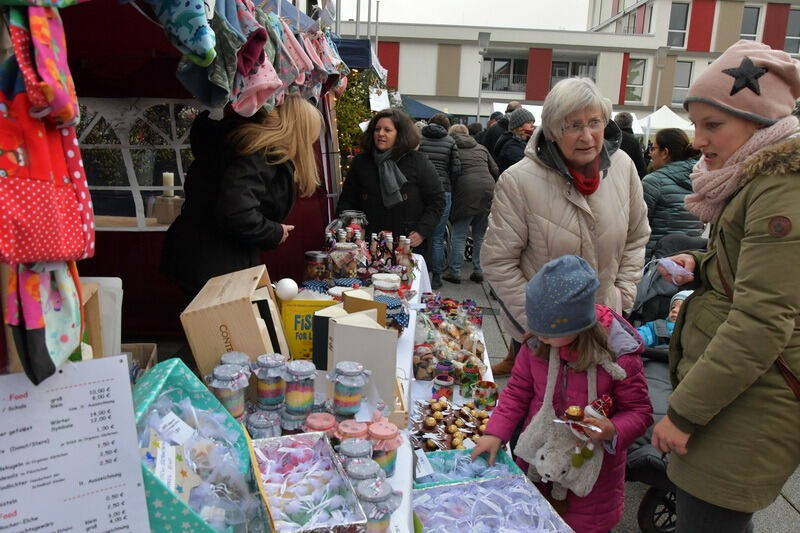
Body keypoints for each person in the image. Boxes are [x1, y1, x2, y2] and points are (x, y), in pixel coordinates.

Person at [650, 40, 800, 533]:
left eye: (712, 125)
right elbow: (746, 268)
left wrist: (684, 414)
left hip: (752, 400)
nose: (698, 139)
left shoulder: (780, 187)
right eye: (695, 124)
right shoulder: (755, 180)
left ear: (760, 122)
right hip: (741, 393)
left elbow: (762, 320)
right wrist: (697, 261)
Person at [472, 255, 653, 533]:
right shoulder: (537, 345)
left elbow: (640, 412)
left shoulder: (620, 358)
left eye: (546, 331)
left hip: (590, 478)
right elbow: (517, 393)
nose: (537, 335)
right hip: (540, 460)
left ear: (576, 326)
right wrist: (495, 432)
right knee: (531, 520)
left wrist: (612, 429)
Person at [482, 77, 650, 377]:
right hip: (542, 342)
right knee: (536, 419)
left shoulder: (623, 167)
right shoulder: (518, 181)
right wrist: (541, 326)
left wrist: (622, 297)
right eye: (573, 125)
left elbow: (637, 237)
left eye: (595, 122)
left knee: (595, 419)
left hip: (604, 331)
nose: (587, 136)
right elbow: (498, 262)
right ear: (552, 131)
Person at [161, 96, 322, 298]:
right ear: (299, 132)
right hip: (212, 259)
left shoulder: (251, 147)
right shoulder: (260, 154)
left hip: (207, 255)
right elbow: (236, 212)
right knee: (217, 327)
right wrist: (274, 232)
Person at [336, 108, 444, 256]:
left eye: (387, 130)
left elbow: (437, 200)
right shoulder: (361, 163)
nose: (381, 134)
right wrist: (350, 228)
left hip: (406, 244)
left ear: (400, 134)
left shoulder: (418, 162)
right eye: (377, 129)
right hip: (367, 243)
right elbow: (347, 201)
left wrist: (422, 231)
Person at [442, 124, 499, 284]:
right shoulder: (481, 148)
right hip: (487, 189)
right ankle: (478, 270)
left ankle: (455, 272)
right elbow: (495, 169)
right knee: (479, 235)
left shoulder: (452, 148)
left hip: (466, 191)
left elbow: (450, 172)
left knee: (459, 235)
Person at [641, 128, 704, 259]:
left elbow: (639, 226)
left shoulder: (653, 181)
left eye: (653, 148)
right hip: (690, 259)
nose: (650, 154)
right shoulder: (700, 178)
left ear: (665, 153)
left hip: (656, 260)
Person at [419, 113, 461, 289]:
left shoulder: (421, 140)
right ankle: (436, 276)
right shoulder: (450, 142)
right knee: (437, 236)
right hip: (443, 191)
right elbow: (456, 169)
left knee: (420, 232)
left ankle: (418, 273)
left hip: (422, 190)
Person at [493, 107, 535, 173]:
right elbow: (528, 167)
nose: (532, 125)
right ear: (519, 126)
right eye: (528, 122)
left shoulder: (522, 142)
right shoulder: (511, 146)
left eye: (533, 122)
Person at [613, 111, 647, 178]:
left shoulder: (609, 138)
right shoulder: (634, 142)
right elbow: (641, 170)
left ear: (615, 123)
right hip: (627, 179)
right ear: (631, 123)